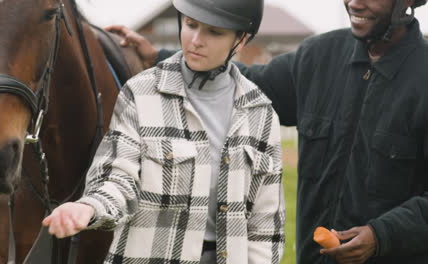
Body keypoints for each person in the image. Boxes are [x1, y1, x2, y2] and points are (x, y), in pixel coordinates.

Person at [106, 0, 428, 263]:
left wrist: (380, 237)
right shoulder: (318, 56)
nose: (355, 2)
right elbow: (245, 84)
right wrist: (155, 56)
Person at [42, 0, 286, 263]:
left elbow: (265, 225)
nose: (195, 40)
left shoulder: (260, 113)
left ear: (241, 39)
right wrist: (89, 207)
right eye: (191, 25)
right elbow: (118, 179)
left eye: (214, 32)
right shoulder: (141, 93)